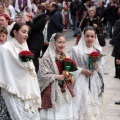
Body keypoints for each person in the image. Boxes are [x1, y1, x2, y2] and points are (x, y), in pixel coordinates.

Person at [0, 22, 41, 120]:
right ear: (15, 32)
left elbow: (29, 68)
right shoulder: (5, 49)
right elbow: (5, 70)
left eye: (27, 32)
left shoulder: (24, 46)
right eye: (23, 32)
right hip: (11, 88)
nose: (26, 35)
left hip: (26, 87)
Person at [70, 26, 105, 120]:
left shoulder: (98, 50)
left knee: (93, 102)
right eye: (87, 36)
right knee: (81, 102)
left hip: (94, 80)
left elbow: (102, 67)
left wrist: (97, 67)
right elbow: (70, 67)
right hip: (80, 80)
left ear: (95, 37)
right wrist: (82, 70)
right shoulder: (76, 50)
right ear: (83, 36)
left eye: (92, 36)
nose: (89, 38)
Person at [38, 33, 74, 120]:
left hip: (64, 88)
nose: (62, 45)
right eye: (59, 42)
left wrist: (67, 74)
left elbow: (70, 70)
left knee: (64, 111)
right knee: (53, 112)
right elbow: (42, 74)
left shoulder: (65, 55)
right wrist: (56, 77)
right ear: (53, 43)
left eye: (64, 42)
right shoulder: (47, 57)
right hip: (51, 88)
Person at [24, 4, 46, 73]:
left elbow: (35, 27)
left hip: (37, 40)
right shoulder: (38, 17)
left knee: (34, 56)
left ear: (40, 10)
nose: (36, 10)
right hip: (34, 39)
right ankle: (34, 70)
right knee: (34, 57)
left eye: (38, 9)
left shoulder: (42, 18)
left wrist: (28, 21)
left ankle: (36, 71)